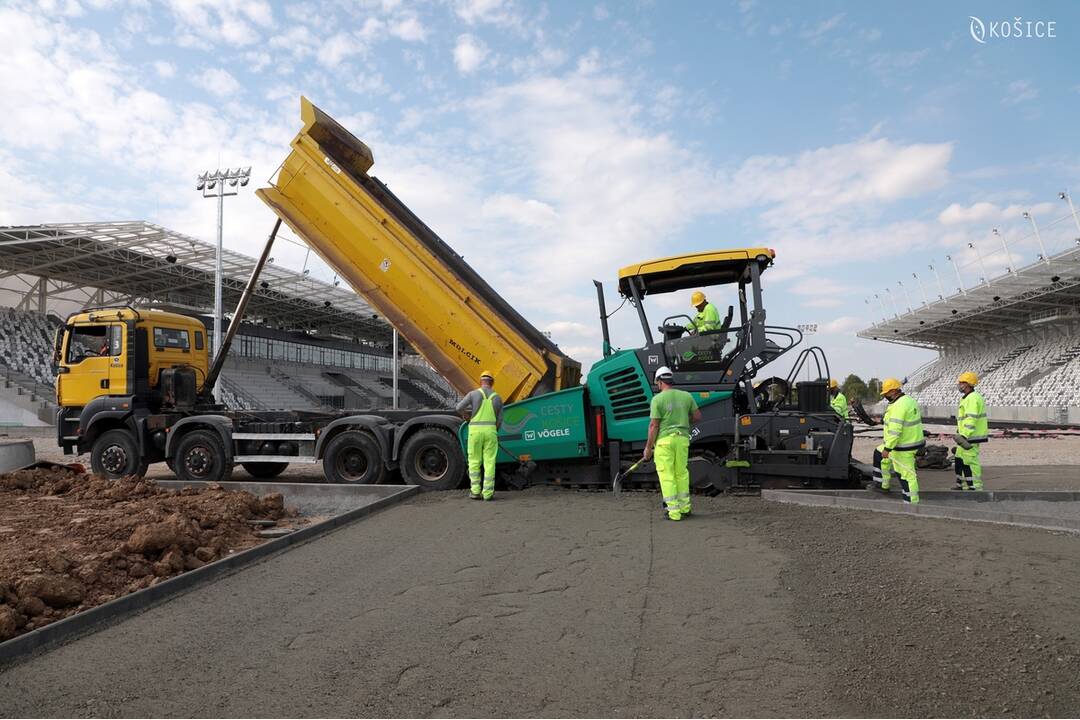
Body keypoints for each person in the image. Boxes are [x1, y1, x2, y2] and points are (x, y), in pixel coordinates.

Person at [643, 366, 701, 521]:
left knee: (667, 476)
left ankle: (674, 513)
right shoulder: (686, 396)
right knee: (681, 473)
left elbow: (654, 425)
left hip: (664, 442)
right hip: (682, 440)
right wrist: (683, 421)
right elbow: (697, 416)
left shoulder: (657, 399)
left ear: (660, 382)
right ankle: (685, 508)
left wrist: (648, 448)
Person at [873, 378, 925, 504]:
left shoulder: (898, 406)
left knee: (906, 476)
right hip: (910, 442)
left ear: (893, 391)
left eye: (886, 393)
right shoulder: (908, 401)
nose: (885, 396)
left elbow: (895, 431)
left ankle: (912, 503)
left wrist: (887, 448)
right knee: (879, 454)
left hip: (902, 446)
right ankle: (884, 485)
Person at [456, 371, 503, 501]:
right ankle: (488, 494)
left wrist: (467, 417)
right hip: (490, 432)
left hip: (475, 432)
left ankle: (475, 492)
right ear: (492, 383)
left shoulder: (473, 394)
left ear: (481, 381)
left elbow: (459, 408)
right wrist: (493, 431)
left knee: (474, 461)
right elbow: (500, 420)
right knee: (489, 462)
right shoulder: (498, 398)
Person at [954, 371, 988, 491]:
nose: (959, 385)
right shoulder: (968, 398)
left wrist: (964, 435)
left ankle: (975, 487)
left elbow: (971, 419)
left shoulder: (972, 398)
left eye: (961, 383)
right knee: (960, 459)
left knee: (970, 461)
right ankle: (964, 485)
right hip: (966, 436)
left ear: (968, 384)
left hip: (970, 437)